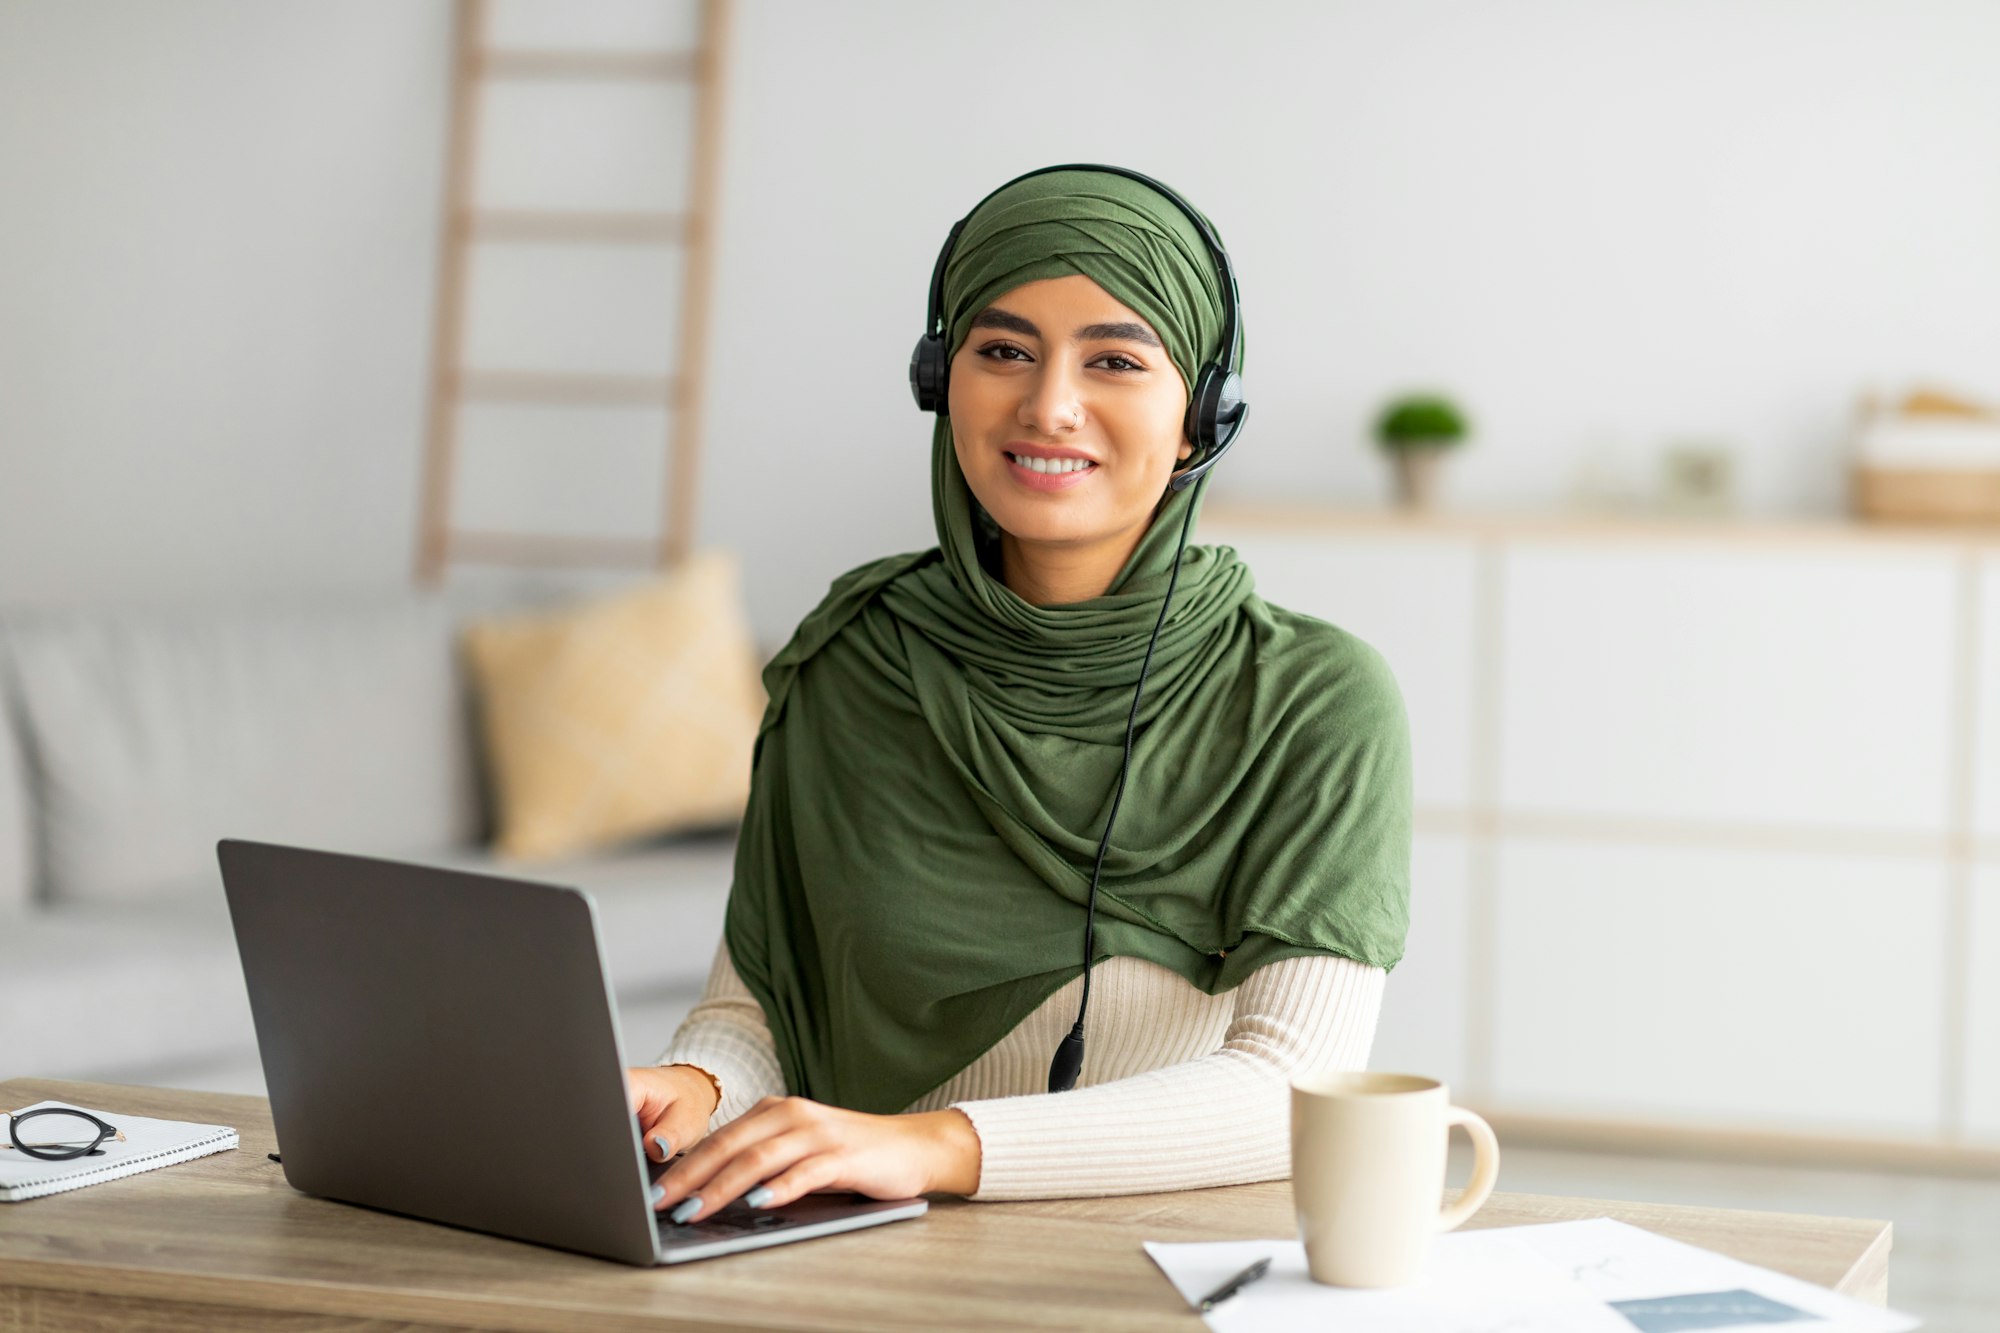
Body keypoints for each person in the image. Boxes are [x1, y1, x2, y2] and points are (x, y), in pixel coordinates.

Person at [624, 165, 1412, 1224]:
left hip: (1148, 1259)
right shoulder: (852, 659)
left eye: (1115, 360)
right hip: (853, 1249)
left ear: (1201, 417)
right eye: (1001, 352)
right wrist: (697, 1086)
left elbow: (1291, 1090)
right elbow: (757, 1009)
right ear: (937, 379)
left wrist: (936, 1146)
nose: (1049, 406)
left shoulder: (1311, 701)